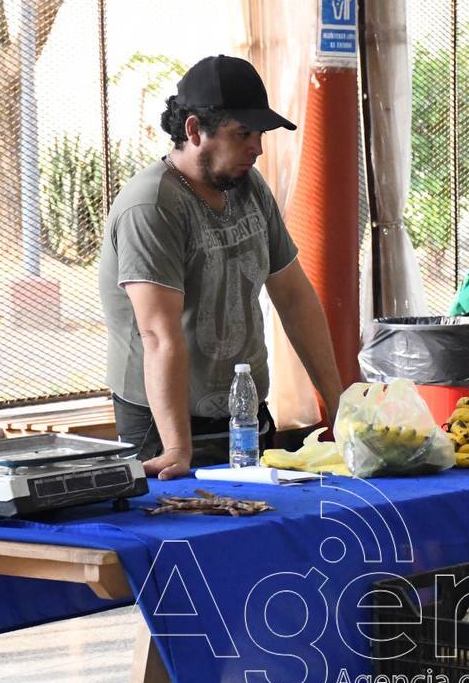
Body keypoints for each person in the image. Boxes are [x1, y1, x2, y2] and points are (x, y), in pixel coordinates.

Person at [99, 55, 343, 480]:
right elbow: (158, 334)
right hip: (162, 425)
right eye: (243, 133)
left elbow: (292, 294)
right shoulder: (152, 206)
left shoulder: (249, 187)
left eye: (260, 134)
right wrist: (177, 447)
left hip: (243, 411)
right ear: (194, 130)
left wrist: (338, 405)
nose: (258, 148)